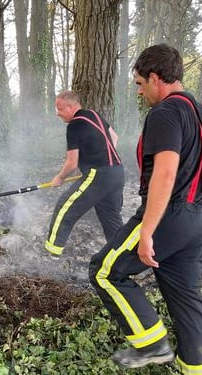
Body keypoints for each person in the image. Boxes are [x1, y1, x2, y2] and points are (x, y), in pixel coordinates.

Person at [89, 44, 202, 375]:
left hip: (168, 216)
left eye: (141, 84)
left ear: (156, 78)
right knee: (186, 294)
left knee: (104, 270)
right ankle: (194, 372)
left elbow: (166, 172)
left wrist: (147, 230)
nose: (140, 91)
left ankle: (152, 345)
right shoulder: (201, 113)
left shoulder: (165, 113)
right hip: (199, 218)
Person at [44, 90, 124, 257]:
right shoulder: (94, 115)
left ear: (71, 106)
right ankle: (121, 256)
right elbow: (114, 137)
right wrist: (103, 157)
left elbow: (72, 163)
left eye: (59, 109)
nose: (57, 113)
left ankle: (51, 254)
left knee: (64, 207)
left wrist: (59, 178)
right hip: (117, 172)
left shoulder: (74, 126)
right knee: (110, 217)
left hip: (99, 175)